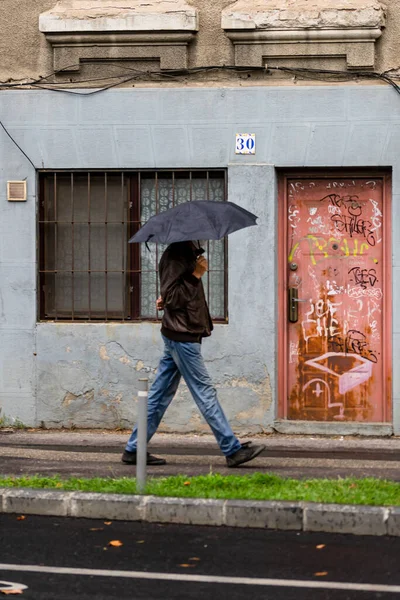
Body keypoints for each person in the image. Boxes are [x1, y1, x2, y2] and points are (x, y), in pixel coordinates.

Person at [122, 241, 266, 467]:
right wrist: (195, 275)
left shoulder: (187, 251)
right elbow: (172, 296)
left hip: (181, 333)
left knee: (159, 395)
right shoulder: (175, 254)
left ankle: (134, 449)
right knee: (204, 391)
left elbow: (170, 297)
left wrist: (178, 289)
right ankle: (232, 449)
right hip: (182, 336)